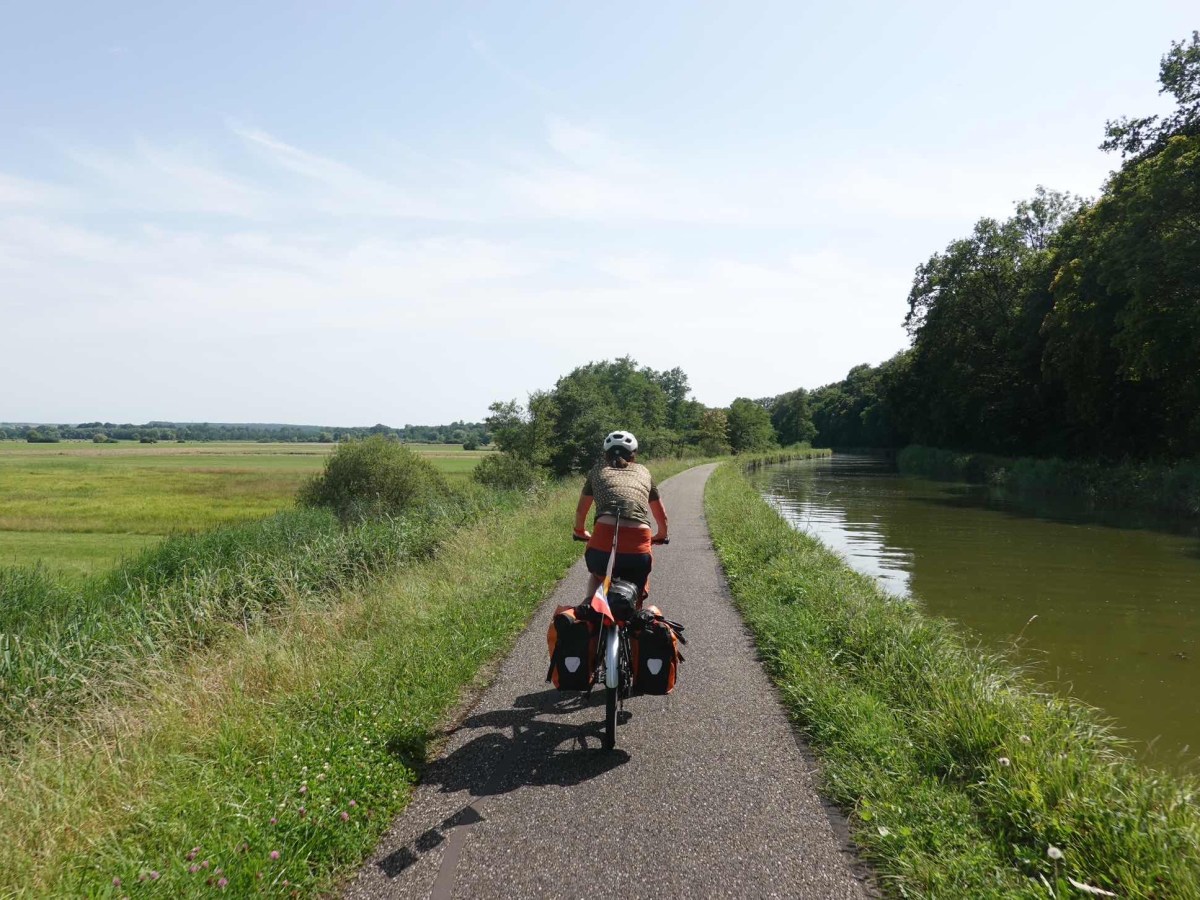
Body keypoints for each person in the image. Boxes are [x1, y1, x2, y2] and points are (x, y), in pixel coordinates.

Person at [573, 430, 669, 602]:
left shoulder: (597, 471)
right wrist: (661, 535)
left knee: (597, 575)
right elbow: (660, 513)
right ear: (634, 454)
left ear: (605, 453)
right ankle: (633, 617)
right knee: (635, 593)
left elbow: (581, 510)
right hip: (638, 545)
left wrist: (580, 531)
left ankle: (589, 607)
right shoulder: (643, 472)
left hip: (602, 540)